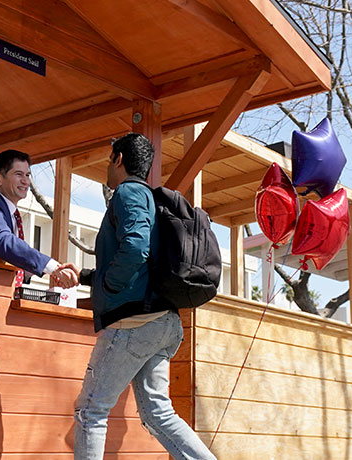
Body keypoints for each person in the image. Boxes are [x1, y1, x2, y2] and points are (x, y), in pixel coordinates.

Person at [74, 133, 215, 460]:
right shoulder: (150, 199)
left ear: (118, 159)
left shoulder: (127, 193)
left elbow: (135, 247)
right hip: (162, 323)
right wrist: (87, 277)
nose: (109, 166)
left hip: (133, 322)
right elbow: (140, 262)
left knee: (90, 410)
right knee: (157, 414)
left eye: (110, 159)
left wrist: (108, 286)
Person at [0, 149, 78, 289]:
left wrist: (30, 271)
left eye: (28, 175)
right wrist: (50, 266)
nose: (26, 181)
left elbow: (8, 254)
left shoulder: (12, 214)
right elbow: (3, 241)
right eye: (18, 174)